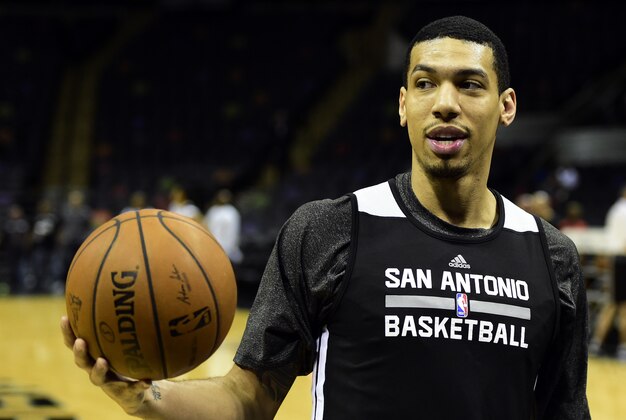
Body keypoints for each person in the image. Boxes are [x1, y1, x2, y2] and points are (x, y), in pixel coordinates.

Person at [61, 16, 590, 419]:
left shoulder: (551, 257)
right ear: (404, 105)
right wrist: (148, 399)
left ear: (507, 106)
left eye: (470, 85)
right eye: (426, 84)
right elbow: (247, 396)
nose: (445, 103)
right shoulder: (328, 229)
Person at [589, 185, 626, 362]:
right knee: (621, 307)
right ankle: (622, 349)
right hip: (621, 259)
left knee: (611, 305)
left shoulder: (615, 209)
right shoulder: (623, 210)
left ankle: (596, 345)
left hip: (615, 260)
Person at [204, 189, 244, 264]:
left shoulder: (232, 211)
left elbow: (234, 232)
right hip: (212, 247)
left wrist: (229, 248)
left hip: (229, 250)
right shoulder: (213, 210)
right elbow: (206, 227)